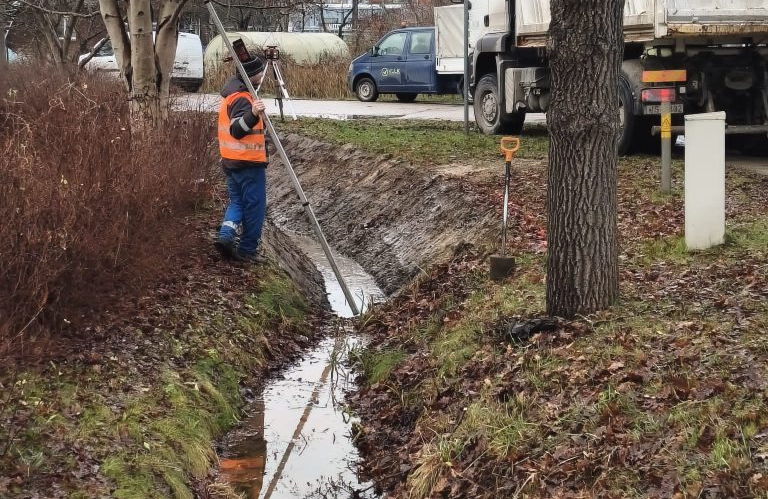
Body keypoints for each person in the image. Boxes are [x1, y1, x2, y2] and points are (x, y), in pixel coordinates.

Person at [214, 54, 269, 264]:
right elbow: (237, 129)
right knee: (254, 207)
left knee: (237, 202)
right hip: (248, 163)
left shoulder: (230, 95)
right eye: (260, 72)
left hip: (231, 161)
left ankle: (226, 236)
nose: (262, 75)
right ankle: (247, 250)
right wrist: (253, 114)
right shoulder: (242, 99)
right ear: (252, 75)